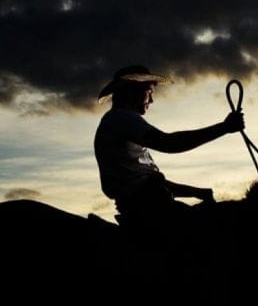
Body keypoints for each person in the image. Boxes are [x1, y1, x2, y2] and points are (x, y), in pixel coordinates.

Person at [94, 65, 244, 236]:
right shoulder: (122, 119)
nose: (151, 100)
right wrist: (224, 128)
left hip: (145, 209)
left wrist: (194, 192)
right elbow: (169, 143)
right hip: (152, 212)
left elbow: (145, 184)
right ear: (132, 91)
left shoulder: (113, 123)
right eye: (149, 91)